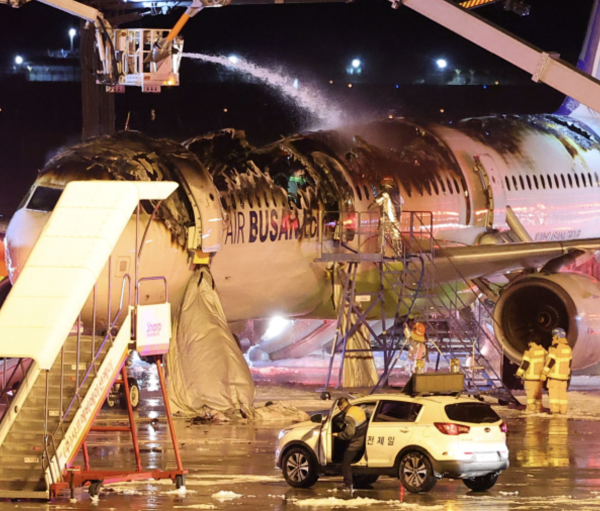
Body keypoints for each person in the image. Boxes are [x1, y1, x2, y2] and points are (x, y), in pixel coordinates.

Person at [333, 397, 368, 490]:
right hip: (362, 438)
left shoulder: (349, 416)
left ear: (341, 407)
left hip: (356, 442)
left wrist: (338, 435)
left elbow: (349, 434)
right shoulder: (356, 409)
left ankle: (348, 484)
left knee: (345, 462)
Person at [541, 328, 572, 415]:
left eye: (554, 337)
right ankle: (563, 410)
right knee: (562, 394)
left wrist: (544, 373)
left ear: (557, 337)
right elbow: (569, 363)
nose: (552, 339)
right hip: (564, 376)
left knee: (554, 394)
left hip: (555, 376)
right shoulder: (568, 348)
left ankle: (554, 410)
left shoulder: (555, 348)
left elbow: (551, 361)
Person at [515, 339, 547, 412]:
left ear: (532, 342)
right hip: (539, 377)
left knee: (530, 395)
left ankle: (531, 409)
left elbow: (525, 364)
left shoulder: (529, 351)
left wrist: (518, 373)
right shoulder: (543, 351)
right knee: (538, 394)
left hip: (531, 377)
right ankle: (538, 408)